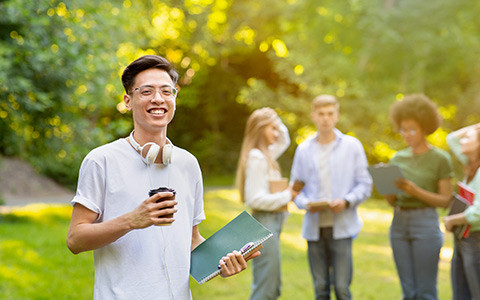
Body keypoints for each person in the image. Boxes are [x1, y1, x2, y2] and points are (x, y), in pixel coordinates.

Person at [66, 55, 259, 300]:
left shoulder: (188, 164)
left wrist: (222, 262)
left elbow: (191, 240)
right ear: (128, 101)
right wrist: (132, 220)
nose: (158, 98)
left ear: (174, 99)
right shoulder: (101, 161)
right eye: (146, 91)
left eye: (166, 91)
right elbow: (75, 239)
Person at [289, 94, 372, 300]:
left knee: (342, 288)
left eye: (330, 113)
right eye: (321, 114)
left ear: (337, 115)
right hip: (314, 227)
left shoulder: (352, 146)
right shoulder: (304, 149)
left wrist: (346, 201)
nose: (325, 118)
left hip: (342, 226)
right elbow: (295, 188)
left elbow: (365, 184)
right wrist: (306, 204)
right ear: (313, 116)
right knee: (321, 288)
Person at [385, 94, 453, 300]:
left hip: (425, 223)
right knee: (408, 290)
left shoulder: (440, 159)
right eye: (403, 129)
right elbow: (391, 201)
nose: (407, 134)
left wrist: (416, 192)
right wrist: (387, 187)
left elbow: (446, 200)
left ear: (425, 128)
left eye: (412, 129)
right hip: (399, 224)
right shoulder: (398, 157)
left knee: (425, 291)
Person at [235, 107, 299, 300]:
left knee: (273, 285)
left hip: (273, 222)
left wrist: (275, 117)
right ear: (261, 129)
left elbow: (284, 140)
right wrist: (287, 195)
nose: (277, 132)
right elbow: (254, 198)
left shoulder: (267, 154)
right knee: (266, 287)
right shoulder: (257, 158)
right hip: (265, 223)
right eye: (272, 128)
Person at [443, 122, 480, 300]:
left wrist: (452, 220)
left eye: (469, 137)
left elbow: (478, 213)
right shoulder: (472, 163)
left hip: (476, 240)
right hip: (463, 237)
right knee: (460, 294)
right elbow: (451, 138)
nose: (463, 139)